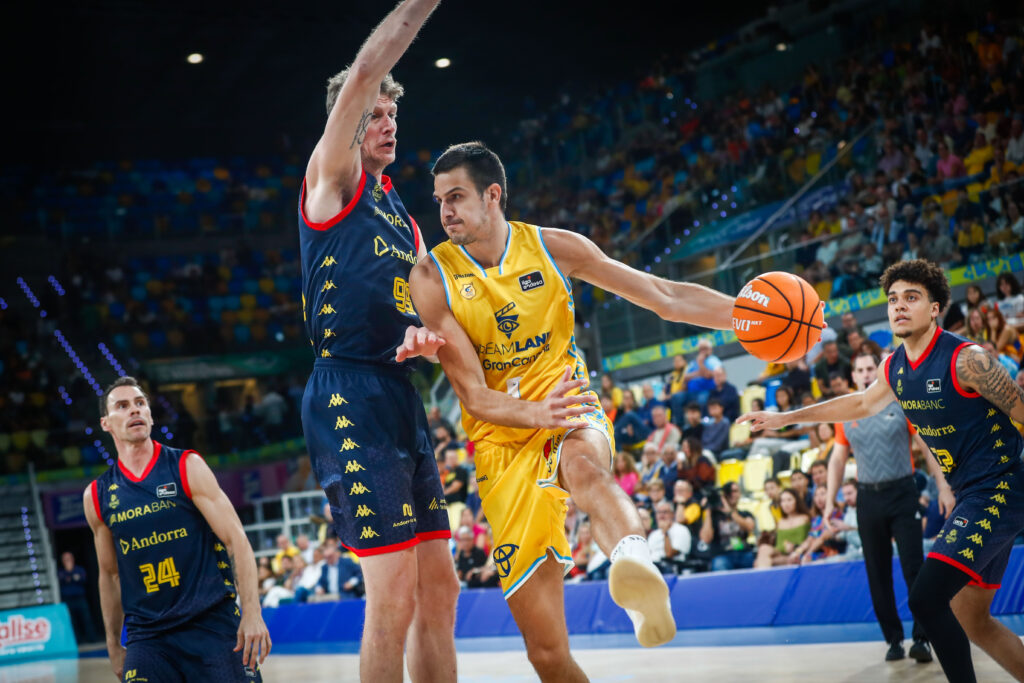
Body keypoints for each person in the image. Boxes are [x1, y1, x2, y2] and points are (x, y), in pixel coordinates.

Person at [409, 141, 737, 677]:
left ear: (493, 196)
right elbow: (472, 395)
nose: (445, 211)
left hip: (568, 405)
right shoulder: (431, 276)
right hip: (500, 441)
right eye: (440, 199)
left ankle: (634, 563)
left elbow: (663, 295)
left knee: (584, 468)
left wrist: (744, 316)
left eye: (457, 197)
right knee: (547, 653)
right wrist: (535, 413)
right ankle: (623, 571)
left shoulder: (554, 247)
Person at [741, 259, 1024, 682]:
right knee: (971, 617)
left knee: (927, 599)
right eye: (893, 299)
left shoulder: (968, 360)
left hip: (1002, 487)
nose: (899, 306)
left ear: (935, 308)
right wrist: (786, 418)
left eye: (912, 297)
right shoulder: (893, 367)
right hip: (972, 492)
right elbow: (858, 404)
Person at [297, 2, 459, 681]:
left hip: (398, 390)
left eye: (393, 115)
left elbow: (437, 314)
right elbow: (367, 68)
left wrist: (430, 337)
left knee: (440, 585)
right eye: (374, 114)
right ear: (349, 122)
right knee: (390, 592)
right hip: (347, 391)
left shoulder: (403, 216)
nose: (386, 124)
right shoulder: (332, 180)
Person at [84, 377, 270, 681]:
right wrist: (113, 645)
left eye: (140, 403)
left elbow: (238, 540)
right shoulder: (97, 495)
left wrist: (252, 614)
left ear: (151, 415)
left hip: (211, 624)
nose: (134, 410)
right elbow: (110, 575)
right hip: (149, 637)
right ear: (106, 423)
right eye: (122, 406)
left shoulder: (187, 466)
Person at [824, 350, 954, 663]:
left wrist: (943, 486)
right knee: (877, 573)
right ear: (853, 376)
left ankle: (922, 637)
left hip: (902, 492)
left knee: (913, 567)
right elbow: (838, 458)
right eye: (860, 369)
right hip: (868, 497)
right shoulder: (848, 411)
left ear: (879, 371)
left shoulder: (901, 402)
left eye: (871, 367)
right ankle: (893, 640)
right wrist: (829, 500)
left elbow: (926, 443)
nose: (866, 373)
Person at [701, 482, 757, 571]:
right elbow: (705, 539)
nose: (732, 494)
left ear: (740, 494)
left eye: (735, 491)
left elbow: (750, 527)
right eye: (729, 492)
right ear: (724, 495)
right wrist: (708, 511)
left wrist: (729, 512)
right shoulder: (713, 516)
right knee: (720, 564)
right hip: (722, 555)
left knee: (758, 562)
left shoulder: (744, 514)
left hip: (744, 553)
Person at [753, 488, 811, 568]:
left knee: (759, 562)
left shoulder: (805, 518)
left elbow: (810, 540)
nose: (786, 504)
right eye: (783, 501)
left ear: (796, 501)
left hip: (796, 553)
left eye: (789, 500)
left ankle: (763, 576)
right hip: (780, 552)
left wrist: (795, 548)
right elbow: (779, 546)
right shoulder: (781, 522)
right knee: (763, 548)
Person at [58, 551, 98, 644]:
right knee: (72, 621)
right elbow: (62, 579)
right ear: (62, 561)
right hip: (68, 600)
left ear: (73, 559)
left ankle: (92, 639)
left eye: (69, 558)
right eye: (65, 559)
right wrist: (72, 576)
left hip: (80, 598)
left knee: (86, 619)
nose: (68, 561)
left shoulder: (79, 569)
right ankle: (77, 640)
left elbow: (82, 579)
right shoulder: (61, 572)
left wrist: (70, 576)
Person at [648, 501, 692, 573]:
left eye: (665, 512)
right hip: (653, 567)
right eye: (659, 512)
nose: (661, 516)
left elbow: (669, 554)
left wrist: (666, 533)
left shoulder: (681, 530)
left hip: (672, 567)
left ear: (672, 514)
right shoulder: (653, 534)